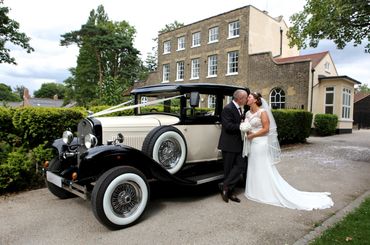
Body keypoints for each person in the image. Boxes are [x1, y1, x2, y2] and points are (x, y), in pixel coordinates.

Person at [241, 92, 334, 210]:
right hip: (251, 143)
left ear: (255, 100)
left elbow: (266, 129)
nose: (247, 98)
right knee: (253, 165)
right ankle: (254, 190)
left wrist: (253, 135)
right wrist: (246, 131)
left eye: (249, 97)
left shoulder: (262, 112)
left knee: (261, 165)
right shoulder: (248, 113)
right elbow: (247, 126)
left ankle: (264, 191)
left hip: (260, 142)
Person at [218, 89, 248, 203]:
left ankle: (225, 186)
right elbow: (228, 126)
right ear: (239, 98)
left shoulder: (240, 108)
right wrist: (242, 126)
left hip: (238, 144)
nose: (246, 100)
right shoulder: (228, 108)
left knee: (241, 165)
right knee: (228, 169)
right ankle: (230, 192)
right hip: (229, 144)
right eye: (245, 98)